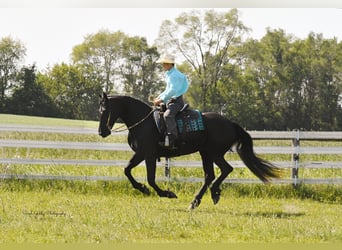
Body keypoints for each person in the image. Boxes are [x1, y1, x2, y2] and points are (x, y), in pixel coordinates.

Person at [153, 53, 189, 148]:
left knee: (167, 115)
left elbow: (173, 90)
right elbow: (167, 90)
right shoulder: (170, 74)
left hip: (176, 101)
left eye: (164, 63)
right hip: (172, 100)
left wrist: (161, 99)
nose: (162, 65)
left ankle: (172, 139)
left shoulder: (174, 75)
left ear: (170, 64)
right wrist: (159, 97)